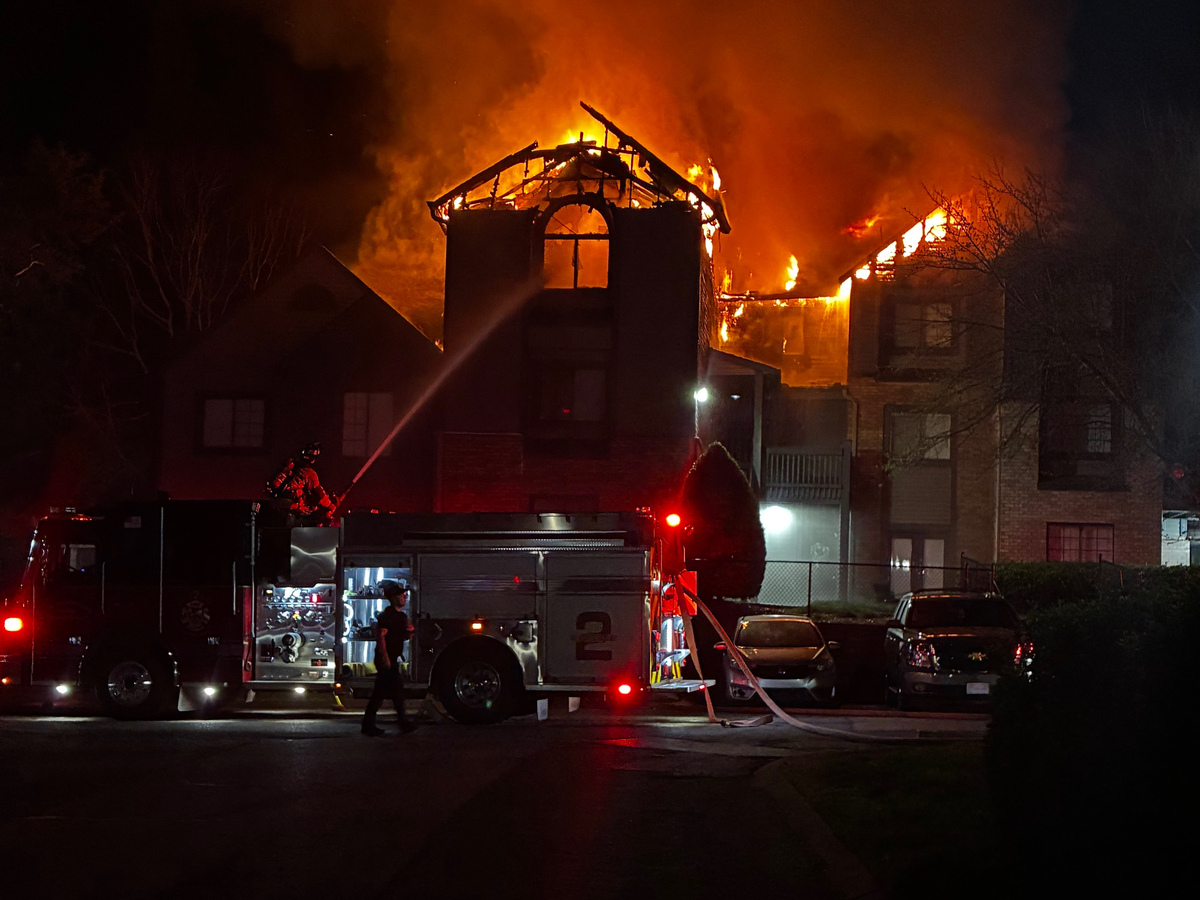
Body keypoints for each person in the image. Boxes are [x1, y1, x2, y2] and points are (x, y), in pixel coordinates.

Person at [362, 579, 417, 737]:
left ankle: (399, 722)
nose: (405, 597)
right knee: (384, 693)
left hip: (392, 658)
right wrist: (385, 658)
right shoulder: (387, 615)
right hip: (386, 660)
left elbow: (403, 636)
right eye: (402, 595)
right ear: (394, 597)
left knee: (392, 692)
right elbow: (381, 638)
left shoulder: (401, 617)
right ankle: (372, 724)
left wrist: (410, 632)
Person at [265, 442, 339, 521]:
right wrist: (331, 506)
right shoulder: (309, 473)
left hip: (275, 504)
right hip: (291, 508)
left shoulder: (290, 466)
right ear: (314, 459)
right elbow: (319, 494)